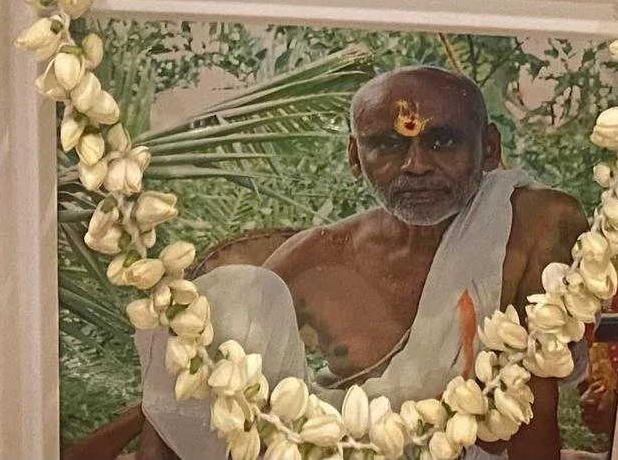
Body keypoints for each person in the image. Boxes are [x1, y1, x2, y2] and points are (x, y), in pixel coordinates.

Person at [135, 65, 588, 459]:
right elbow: (198, 371)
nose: (416, 165)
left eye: (442, 140)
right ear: (356, 156)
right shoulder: (320, 255)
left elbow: (535, 401)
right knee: (224, 296)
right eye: (389, 146)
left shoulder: (534, 224)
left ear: (488, 147)